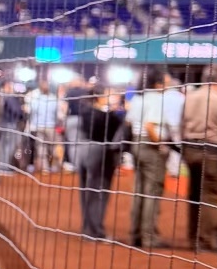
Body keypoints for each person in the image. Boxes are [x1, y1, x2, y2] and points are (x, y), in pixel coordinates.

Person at [179, 65, 217, 251]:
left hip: (191, 149)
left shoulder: (189, 97)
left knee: (194, 195)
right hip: (213, 151)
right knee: (211, 197)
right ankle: (207, 240)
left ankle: (193, 237)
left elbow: (181, 126)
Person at [124, 68, 181, 248]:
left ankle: (135, 234)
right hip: (150, 146)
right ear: (157, 84)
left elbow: (129, 122)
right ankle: (149, 237)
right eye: (165, 82)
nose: (167, 85)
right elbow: (149, 126)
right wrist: (161, 145)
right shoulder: (157, 99)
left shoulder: (138, 98)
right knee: (152, 192)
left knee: (139, 191)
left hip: (136, 144)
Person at [75, 86, 126, 239]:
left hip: (84, 150)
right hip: (100, 152)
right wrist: (115, 112)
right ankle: (95, 231)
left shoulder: (85, 110)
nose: (113, 97)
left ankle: (88, 228)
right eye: (108, 94)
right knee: (99, 192)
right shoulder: (102, 114)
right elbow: (111, 127)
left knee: (87, 192)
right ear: (99, 97)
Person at [25, 77, 62, 174]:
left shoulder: (36, 99)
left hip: (38, 126)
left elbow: (31, 112)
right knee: (54, 147)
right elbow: (58, 114)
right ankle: (56, 166)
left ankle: (45, 168)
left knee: (41, 148)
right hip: (51, 126)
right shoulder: (54, 99)